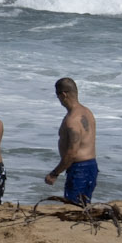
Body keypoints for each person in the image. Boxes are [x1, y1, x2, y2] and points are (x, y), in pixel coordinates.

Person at [42, 76, 98, 206]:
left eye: (57, 96)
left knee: (73, 207)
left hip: (79, 169)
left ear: (63, 95)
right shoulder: (87, 112)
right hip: (91, 166)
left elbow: (72, 152)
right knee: (84, 206)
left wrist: (54, 173)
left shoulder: (72, 120)